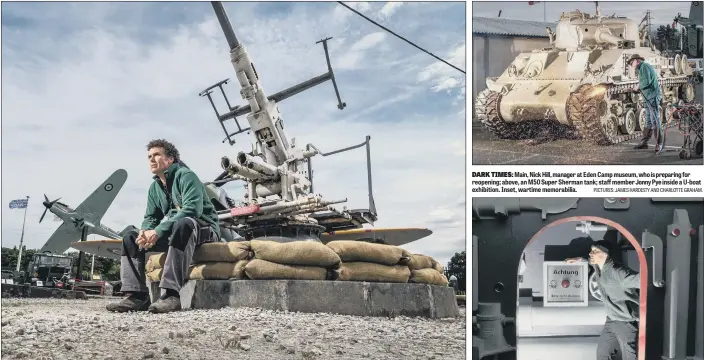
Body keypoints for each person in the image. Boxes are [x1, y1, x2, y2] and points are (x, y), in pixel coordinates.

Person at [107, 139, 221, 314]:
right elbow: (151, 217)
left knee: (185, 223)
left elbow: (192, 210)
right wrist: (144, 232)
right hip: (177, 232)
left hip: (204, 230)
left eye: (157, 155)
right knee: (130, 236)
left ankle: (171, 295)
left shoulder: (186, 176)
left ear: (170, 159)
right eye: (149, 156)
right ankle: (137, 296)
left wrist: (158, 231)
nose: (152, 160)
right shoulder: (154, 188)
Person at [566, 240, 640, 360]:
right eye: (591, 250)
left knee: (631, 357)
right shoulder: (598, 267)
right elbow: (590, 261)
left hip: (625, 323)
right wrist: (580, 259)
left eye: (595, 251)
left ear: (606, 254)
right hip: (611, 321)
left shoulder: (618, 272)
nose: (591, 253)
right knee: (603, 354)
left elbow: (640, 280)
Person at [629, 54, 665, 154]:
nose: (631, 64)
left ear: (637, 61)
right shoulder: (642, 68)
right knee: (648, 120)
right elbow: (643, 81)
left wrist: (637, 87)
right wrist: (637, 86)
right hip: (648, 97)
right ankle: (644, 142)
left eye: (632, 62)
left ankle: (659, 143)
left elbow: (647, 82)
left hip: (652, 96)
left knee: (654, 119)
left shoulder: (644, 66)